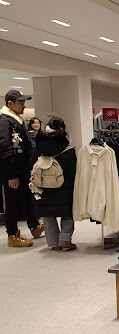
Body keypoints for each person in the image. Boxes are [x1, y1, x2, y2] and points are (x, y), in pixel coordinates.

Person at [0, 90, 43, 247]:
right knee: (12, 202)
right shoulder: (4, 122)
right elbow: (5, 148)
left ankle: (34, 226)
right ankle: (12, 234)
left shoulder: (16, 120)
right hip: (13, 171)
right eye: (20, 103)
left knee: (26, 197)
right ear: (10, 104)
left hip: (22, 169)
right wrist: (11, 175)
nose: (24, 106)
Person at [33, 117, 77, 251]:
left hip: (44, 186)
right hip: (64, 186)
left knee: (47, 215)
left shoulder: (40, 145)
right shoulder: (67, 149)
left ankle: (53, 243)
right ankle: (65, 239)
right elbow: (72, 171)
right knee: (67, 213)